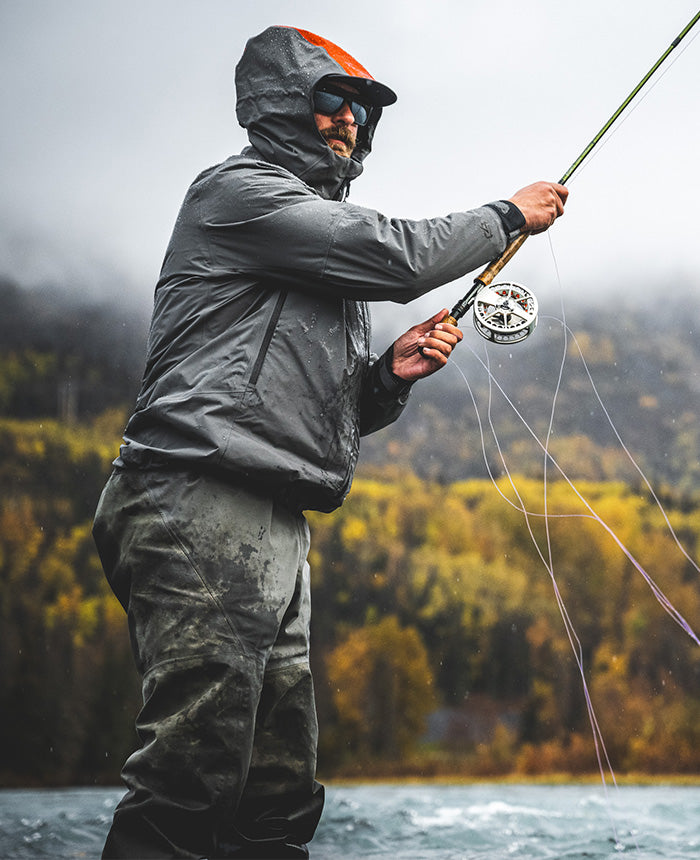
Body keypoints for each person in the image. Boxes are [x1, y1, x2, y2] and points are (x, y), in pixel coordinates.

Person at [92, 25, 567, 860]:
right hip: (193, 498)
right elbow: (396, 256)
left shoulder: (315, 258)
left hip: (273, 518)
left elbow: (336, 411)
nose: (351, 119)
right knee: (195, 769)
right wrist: (505, 215)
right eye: (333, 100)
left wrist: (390, 374)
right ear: (284, 103)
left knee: (277, 792)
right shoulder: (240, 195)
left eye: (363, 109)